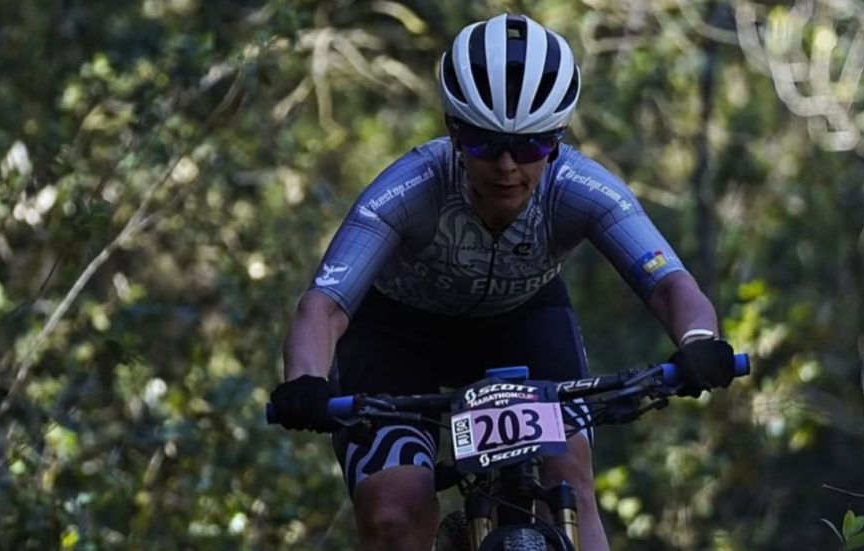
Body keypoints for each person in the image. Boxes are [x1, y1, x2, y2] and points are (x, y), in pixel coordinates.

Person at [271, 13, 737, 551]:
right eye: (484, 144)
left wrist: (699, 341)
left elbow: (669, 284)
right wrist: (305, 380)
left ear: (558, 140)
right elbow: (325, 306)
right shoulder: (411, 188)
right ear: (454, 132)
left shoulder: (580, 188)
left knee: (569, 486)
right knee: (394, 516)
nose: (508, 166)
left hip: (522, 324)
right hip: (396, 335)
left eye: (532, 146)